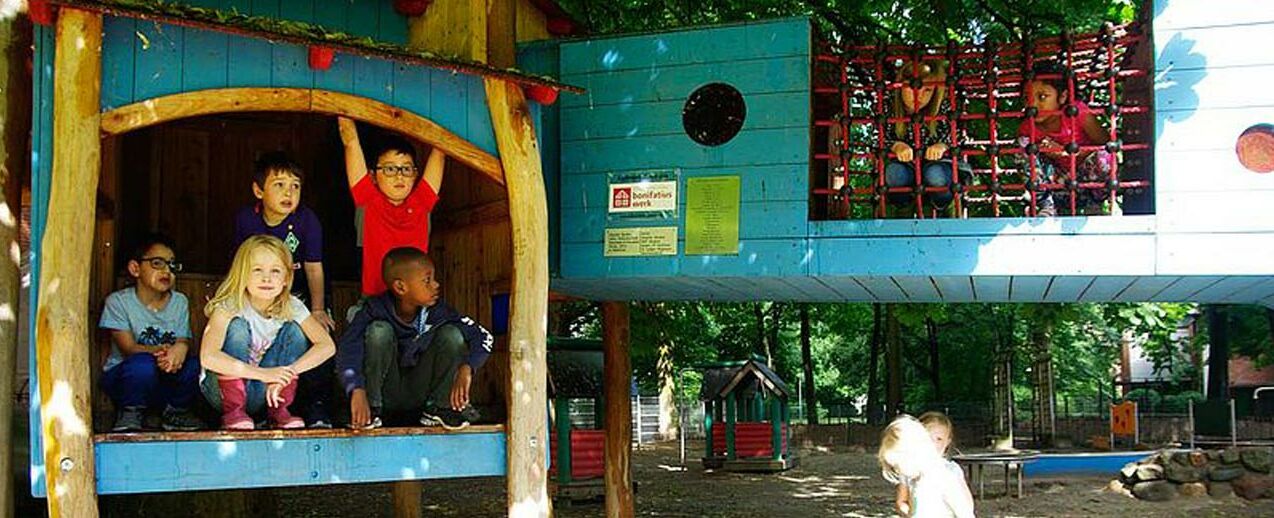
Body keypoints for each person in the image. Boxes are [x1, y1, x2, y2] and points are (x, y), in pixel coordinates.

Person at [337, 247, 494, 430]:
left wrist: (468, 368)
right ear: (400, 287)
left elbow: (483, 336)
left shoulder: (439, 311)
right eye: (427, 280)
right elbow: (347, 350)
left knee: (452, 334)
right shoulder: (373, 309)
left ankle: (439, 409)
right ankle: (372, 410)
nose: (436, 285)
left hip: (420, 395)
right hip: (385, 395)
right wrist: (357, 389)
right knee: (379, 331)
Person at [232, 151, 335, 428]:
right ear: (258, 190)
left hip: (299, 296)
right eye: (279, 184)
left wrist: (317, 309)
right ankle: (241, 406)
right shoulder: (246, 220)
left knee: (316, 334)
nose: (289, 192)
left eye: (295, 186)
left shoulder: (306, 220)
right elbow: (241, 267)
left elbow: (314, 267)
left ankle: (316, 408)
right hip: (257, 297)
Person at [199, 235, 336, 430]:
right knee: (238, 327)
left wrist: (285, 374)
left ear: (286, 278)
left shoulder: (292, 306)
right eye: (257, 270)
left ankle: (279, 411)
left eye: (275, 271)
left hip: (267, 392)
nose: (266, 278)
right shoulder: (229, 305)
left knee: (296, 330)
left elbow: (327, 346)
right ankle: (234, 412)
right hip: (220, 394)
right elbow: (208, 357)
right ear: (242, 274)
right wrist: (263, 374)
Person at [98, 233, 202, 432]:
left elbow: (182, 340)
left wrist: (180, 348)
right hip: (127, 378)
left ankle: (176, 413)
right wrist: (164, 352)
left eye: (171, 265)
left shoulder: (179, 301)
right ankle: (130, 412)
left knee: (196, 366)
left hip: (165, 374)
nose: (166, 271)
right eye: (157, 263)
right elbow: (128, 348)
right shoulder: (118, 302)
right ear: (135, 268)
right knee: (142, 364)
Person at [338, 116, 446, 297]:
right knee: (378, 328)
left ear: (415, 175)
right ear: (373, 176)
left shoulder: (421, 203)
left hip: (416, 301)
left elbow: (440, 153)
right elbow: (350, 142)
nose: (399, 176)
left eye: (406, 169)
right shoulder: (368, 200)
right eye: (389, 169)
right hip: (376, 301)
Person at [1019, 61, 1116, 216]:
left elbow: (1107, 145)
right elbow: (1033, 164)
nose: (1033, 104)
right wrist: (1046, 153)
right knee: (1022, 145)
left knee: (1105, 155)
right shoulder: (1027, 127)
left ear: (1063, 96)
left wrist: (1065, 153)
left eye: (1042, 97)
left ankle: (1095, 205)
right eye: (1027, 98)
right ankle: (1045, 204)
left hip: (1088, 185)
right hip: (1059, 188)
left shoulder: (1077, 113)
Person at [883, 59, 970, 212]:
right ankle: (902, 213)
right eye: (912, 87)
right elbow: (876, 135)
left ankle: (945, 210)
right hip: (906, 167)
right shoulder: (888, 106)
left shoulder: (943, 107)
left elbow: (959, 133)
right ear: (901, 85)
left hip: (939, 165)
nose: (919, 95)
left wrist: (942, 145)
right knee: (894, 173)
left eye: (927, 90)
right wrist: (895, 145)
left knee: (935, 174)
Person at [879, 415, 974, 518]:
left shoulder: (944, 477)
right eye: (896, 467)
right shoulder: (915, 478)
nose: (900, 471)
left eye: (900, 465)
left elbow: (966, 513)